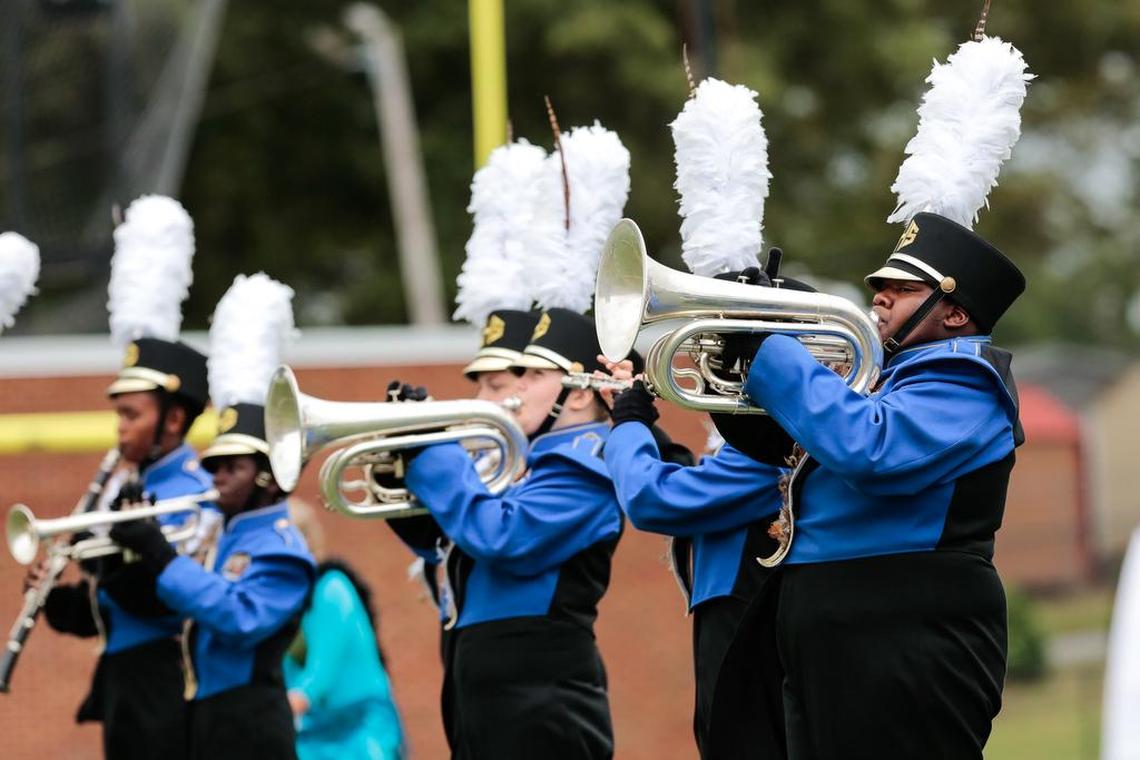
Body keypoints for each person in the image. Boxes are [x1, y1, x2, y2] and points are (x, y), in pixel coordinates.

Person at [735, 211, 1025, 758]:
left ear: (957, 312)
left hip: (905, 627)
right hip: (837, 623)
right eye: (881, 287)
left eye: (903, 289)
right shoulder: (881, 378)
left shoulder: (968, 380)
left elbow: (869, 449)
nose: (881, 298)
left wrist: (771, 348)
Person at [393, 308, 623, 759]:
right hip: (490, 688)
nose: (516, 387)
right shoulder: (530, 468)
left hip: (539, 697)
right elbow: (452, 546)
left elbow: (500, 536)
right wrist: (403, 464)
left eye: (533, 374)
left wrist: (436, 448)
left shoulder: (586, 466)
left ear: (577, 396)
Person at [110, 273, 316, 760]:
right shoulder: (217, 535)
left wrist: (158, 553)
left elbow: (236, 617)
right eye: (214, 465)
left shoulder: (284, 550)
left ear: (268, 474)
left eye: (233, 467)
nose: (217, 477)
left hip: (251, 722)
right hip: (205, 715)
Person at [26, 337, 213, 760]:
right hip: (122, 682)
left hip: (171, 679)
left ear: (173, 418)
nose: (120, 427)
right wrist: (57, 600)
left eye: (131, 414)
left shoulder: (194, 491)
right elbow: (110, 604)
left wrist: (117, 556)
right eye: (119, 415)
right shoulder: (126, 488)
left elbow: (164, 600)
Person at [286, 501, 406, 760]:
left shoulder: (330, 588)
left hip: (360, 726)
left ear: (306, 541)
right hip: (312, 731)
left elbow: (321, 670)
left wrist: (282, 708)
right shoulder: (281, 599)